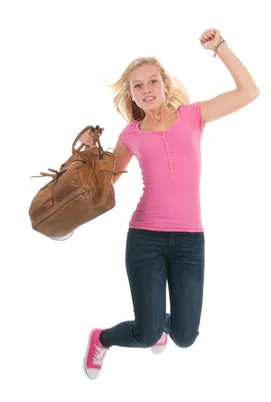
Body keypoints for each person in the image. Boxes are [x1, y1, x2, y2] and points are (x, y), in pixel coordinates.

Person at [81, 29, 259, 379]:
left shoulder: (193, 116)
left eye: (152, 82)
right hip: (145, 238)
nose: (146, 90)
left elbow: (249, 92)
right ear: (130, 93)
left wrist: (219, 48)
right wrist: (89, 152)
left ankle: (158, 320)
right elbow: (106, 184)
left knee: (185, 336)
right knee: (146, 334)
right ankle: (102, 339)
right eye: (137, 86)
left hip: (190, 241)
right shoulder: (130, 135)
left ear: (165, 84)